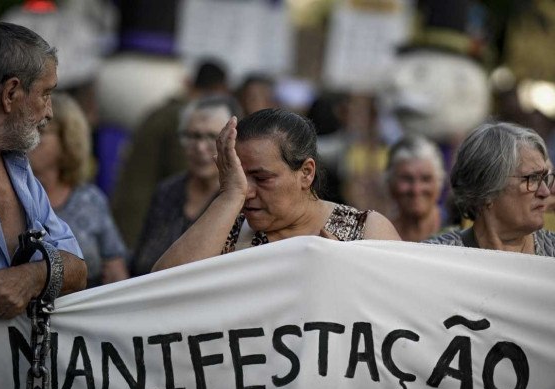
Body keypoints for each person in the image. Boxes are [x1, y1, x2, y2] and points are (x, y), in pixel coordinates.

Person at [153, 108, 400, 271]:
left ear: (306, 173)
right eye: (239, 176)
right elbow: (159, 289)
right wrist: (229, 195)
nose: (246, 191)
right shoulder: (228, 231)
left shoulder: (365, 231)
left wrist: (349, 271)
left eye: (262, 178)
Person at [0, 22, 86, 318]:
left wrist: (33, 277)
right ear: (11, 93)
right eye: (46, 93)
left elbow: (77, 267)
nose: (50, 111)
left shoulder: (18, 169)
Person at [111, 59, 230, 249]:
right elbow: (186, 172)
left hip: (131, 206)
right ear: (220, 88)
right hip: (143, 216)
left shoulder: (163, 111)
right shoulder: (186, 118)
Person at [131, 95, 242, 275]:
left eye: (212, 137)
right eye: (193, 136)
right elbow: (141, 258)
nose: (200, 147)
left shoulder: (240, 199)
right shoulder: (167, 191)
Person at [29, 93, 128, 287]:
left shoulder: (90, 200)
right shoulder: (11, 196)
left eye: (41, 131)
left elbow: (117, 270)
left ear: (67, 140)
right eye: (28, 130)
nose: (30, 140)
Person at [424, 122, 555, 255]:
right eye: (532, 178)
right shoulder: (436, 256)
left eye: (544, 178)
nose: (545, 192)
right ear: (487, 190)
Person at [386, 135, 446, 241]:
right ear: (390, 183)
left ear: (439, 182)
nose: (416, 190)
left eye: (426, 179)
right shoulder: (379, 236)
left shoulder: (459, 229)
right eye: (407, 179)